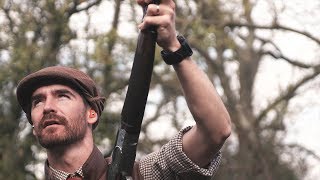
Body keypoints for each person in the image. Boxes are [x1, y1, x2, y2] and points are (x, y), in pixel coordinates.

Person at [16, 0, 231, 179]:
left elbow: (215, 132)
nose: (47, 107)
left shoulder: (143, 174)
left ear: (91, 114)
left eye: (62, 96)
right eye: (38, 101)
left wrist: (174, 47)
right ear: (34, 127)